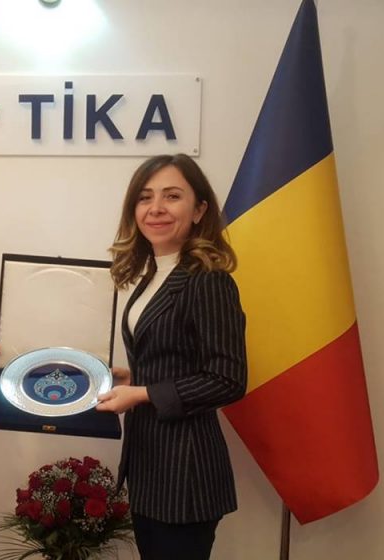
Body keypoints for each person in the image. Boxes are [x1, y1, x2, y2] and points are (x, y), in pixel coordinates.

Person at [96, 154, 247, 560]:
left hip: (186, 474)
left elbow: (228, 379)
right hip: (149, 467)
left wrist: (142, 393)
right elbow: (171, 360)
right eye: (145, 197)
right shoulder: (151, 275)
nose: (156, 208)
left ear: (199, 210)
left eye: (172, 196)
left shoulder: (208, 279)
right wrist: (131, 379)